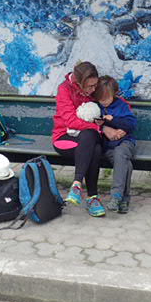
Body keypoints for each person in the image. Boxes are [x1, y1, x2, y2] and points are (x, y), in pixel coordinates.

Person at [52, 61, 106, 217]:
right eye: (90, 86)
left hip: (90, 136)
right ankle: (92, 198)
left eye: (95, 85)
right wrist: (96, 127)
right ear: (79, 83)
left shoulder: (94, 89)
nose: (93, 90)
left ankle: (76, 185)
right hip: (65, 136)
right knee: (95, 149)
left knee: (89, 136)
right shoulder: (64, 89)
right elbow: (70, 121)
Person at [94, 76, 137, 214]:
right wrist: (104, 127)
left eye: (106, 98)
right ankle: (124, 199)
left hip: (125, 142)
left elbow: (131, 124)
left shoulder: (121, 105)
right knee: (125, 164)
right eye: (100, 99)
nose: (103, 102)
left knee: (120, 154)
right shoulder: (95, 107)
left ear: (114, 94)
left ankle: (116, 195)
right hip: (108, 146)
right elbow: (90, 123)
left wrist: (114, 121)